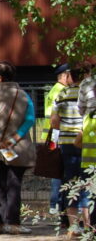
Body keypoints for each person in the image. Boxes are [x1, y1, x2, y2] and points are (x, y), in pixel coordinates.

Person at [0, 62, 36, 235]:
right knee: (14, 184)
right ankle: (13, 222)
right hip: (17, 147)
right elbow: (30, 119)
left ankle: (0, 223)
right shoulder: (24, 95)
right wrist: (14, 138)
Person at [50, 64, 90, 234]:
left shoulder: (62, 94)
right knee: (88, 182)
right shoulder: (89, 94)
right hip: (87, 142)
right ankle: (89, 225)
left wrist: (65, 129)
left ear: (70, 76)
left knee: (70, 182)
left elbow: (54, 121)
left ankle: (72, 226)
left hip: (67, 142)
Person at [45, 63, 71, 216]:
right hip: (58, 135)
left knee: (58, 171)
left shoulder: (54, 89)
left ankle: (56, 204)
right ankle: (56, 204)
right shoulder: (61, 91)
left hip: (53, 135)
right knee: (59, 172)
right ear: (64, 75)